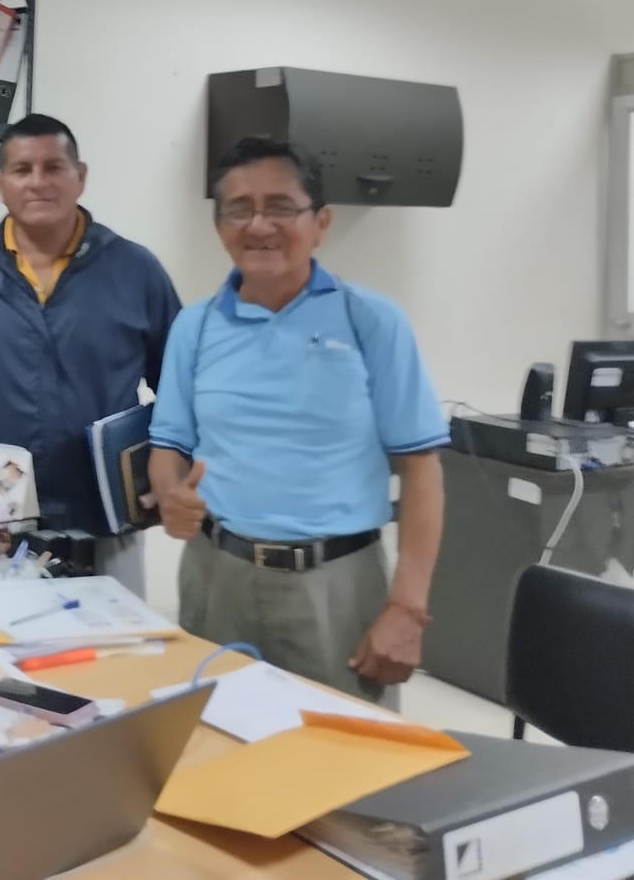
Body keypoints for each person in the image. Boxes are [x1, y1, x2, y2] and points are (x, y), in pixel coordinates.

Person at [148, 136, 448, 704]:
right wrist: (169, 494)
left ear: (320, 222)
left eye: (280, 207)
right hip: (217, 576)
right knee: (212, 740)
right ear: (219, 225)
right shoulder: (194, 326)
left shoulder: (371, 320)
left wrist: (407, 608)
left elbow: (422, 468)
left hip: (337, 584)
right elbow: (169, 447)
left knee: (343, 747)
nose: (259, 225)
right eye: (239, 209)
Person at [0, 113, 183, 593]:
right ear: (1, 184)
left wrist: (168, 460)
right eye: (22, 170)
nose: (38, 182)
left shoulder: (135, 271)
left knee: (114, 639)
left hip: (105, 524)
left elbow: (180, 382)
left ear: (80, 176)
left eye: (54, 167)